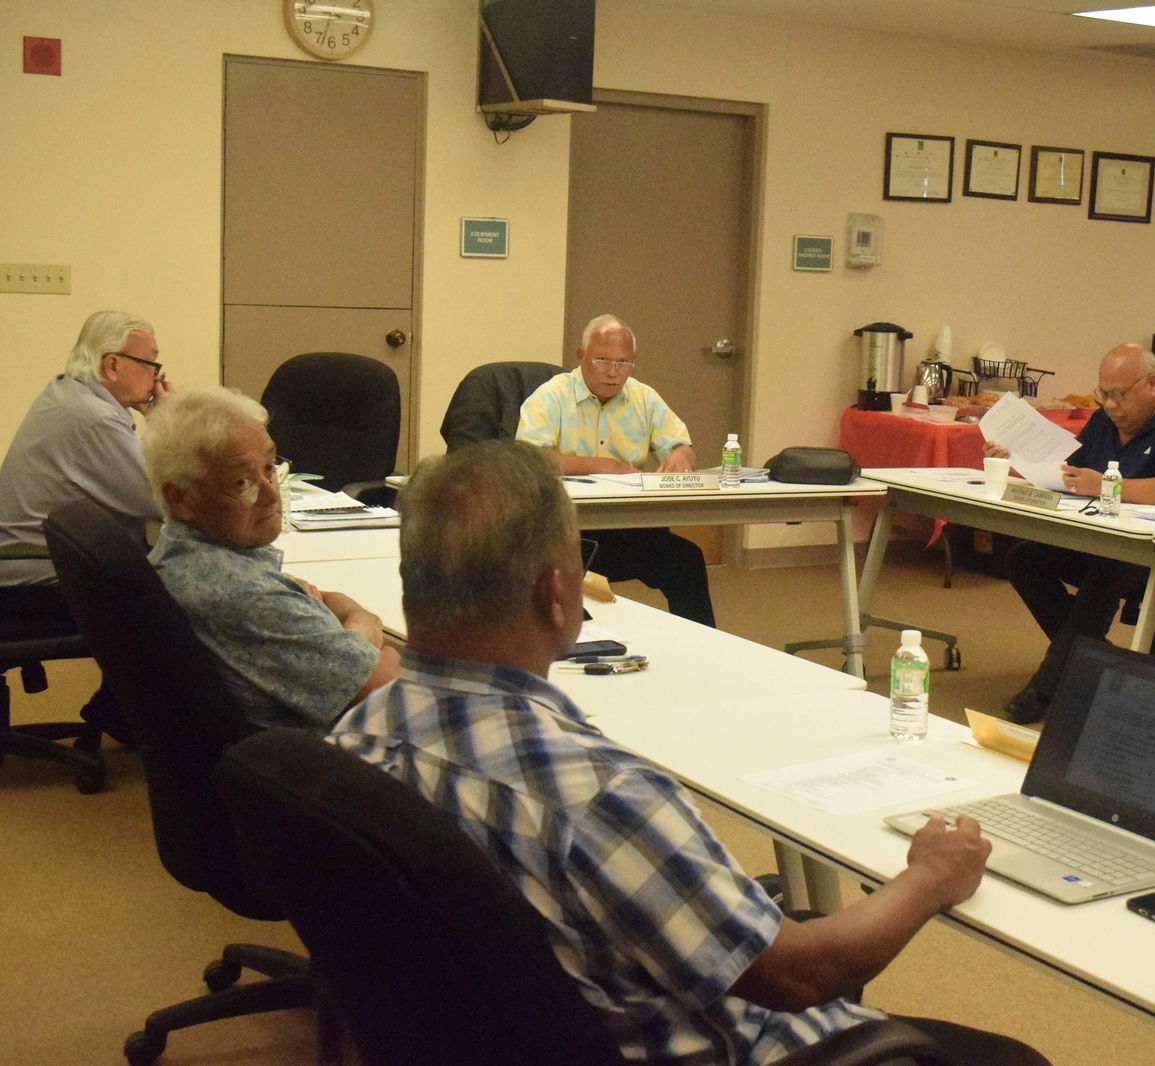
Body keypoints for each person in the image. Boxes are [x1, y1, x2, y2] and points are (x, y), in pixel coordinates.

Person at [329, 440, 1049, 1066]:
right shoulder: (596, 795)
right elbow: (798, 977)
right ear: (557, 593)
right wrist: (929, 877)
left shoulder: (357, 733)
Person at [144, 386, 399, 730]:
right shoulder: (243, 595)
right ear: (180, 497)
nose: (269, 493)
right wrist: (362, 619)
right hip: (323, 762)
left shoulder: (183, 550)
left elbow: (326, 600)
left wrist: (335, 616)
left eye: (270, 467)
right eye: (241, 482)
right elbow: (388, 685)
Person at [990, 344, 1155, 724]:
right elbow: (1069, 472)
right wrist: (1016, 457)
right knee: (1023, 557)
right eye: (1103, 393)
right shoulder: (1104, 422)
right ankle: (1096, 661)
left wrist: (1105, 486)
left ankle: (1046, 686)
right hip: (1098, 535)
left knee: (1106, 574)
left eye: (1118, 394)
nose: (1109, 404)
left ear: (1153, 386)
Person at [0, 310, 173, 741]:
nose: (157, 377)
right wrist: (168, 421)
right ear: (111, 364)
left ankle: (118, 712)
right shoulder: (94, 418)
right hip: (28, 578)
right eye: (151, 365)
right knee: (174, 594)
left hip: (19, 560)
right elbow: (163, 501)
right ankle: (119, 715)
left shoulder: (71, 394)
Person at [516, 313, 716, 627]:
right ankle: (577, 647)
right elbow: (530, 458)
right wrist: (599, 465)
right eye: (602, 360)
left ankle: (706, 650)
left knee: (685, 559)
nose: (613, 373)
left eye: (623, 363)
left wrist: (681, 455)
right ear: (580, 356)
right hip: (565, 531)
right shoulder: (551, 396)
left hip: (627, 527)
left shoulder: (643, 397)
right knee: (548, 564)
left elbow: (679, 444)